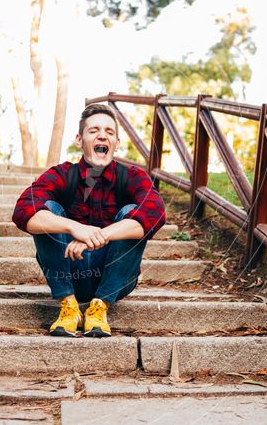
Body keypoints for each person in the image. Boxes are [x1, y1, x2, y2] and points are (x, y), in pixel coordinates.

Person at [11, 104, 167, 338]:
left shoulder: (132, 176)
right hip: (69, 272)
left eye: (110, 132)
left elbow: (155, 212)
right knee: (48, 210)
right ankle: (69, 306)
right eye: (93, 130)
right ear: (79, 139)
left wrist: (96, 237)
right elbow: (24, 209)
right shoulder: (62, 175)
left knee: (132, 211)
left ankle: (99, 307)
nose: (102, 135)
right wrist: (74, 227)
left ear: (116, 143)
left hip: (117, 276)